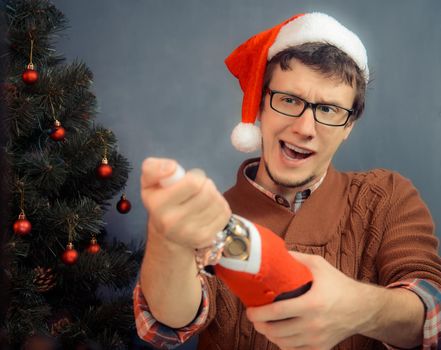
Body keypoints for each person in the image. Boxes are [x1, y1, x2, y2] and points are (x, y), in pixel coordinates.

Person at [133, 12, 441, 350]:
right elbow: (163, 325)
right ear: (261, 105)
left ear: (349, 125)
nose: (305, 129)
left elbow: (432, 315)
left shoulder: (387, 197)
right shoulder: (211, 217)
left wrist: (362, 310)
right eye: (289, 100)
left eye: (328, 110)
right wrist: (168, 239)